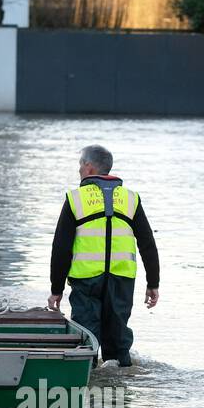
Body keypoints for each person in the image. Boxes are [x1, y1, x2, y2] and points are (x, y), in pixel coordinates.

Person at [48, 145, 159, 367]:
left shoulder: (75, 199)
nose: (79, 169)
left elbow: (61, 248)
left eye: (80, 164)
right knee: (118, 340)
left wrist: (56, 289)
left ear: (88, 168)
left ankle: (87, 385)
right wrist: (152, 283)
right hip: (121, 280)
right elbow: (147, 243)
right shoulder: (131, 199)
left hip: (87, 281)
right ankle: (120, 393)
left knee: (87, 338)